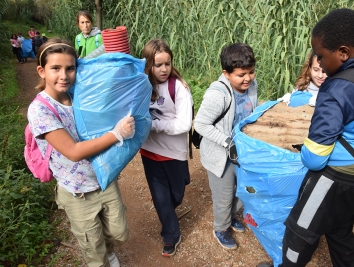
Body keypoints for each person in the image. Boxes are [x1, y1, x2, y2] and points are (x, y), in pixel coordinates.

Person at [265, 8, 354, 267]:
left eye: (321, 55)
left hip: (337, 178)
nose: (319, 61)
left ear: (343, 52)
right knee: (339, 229)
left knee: (299, 232)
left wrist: (302, 148)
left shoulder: (336, 91)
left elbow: (315, 159)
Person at [27, 38, 135, 267]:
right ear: (41, 71)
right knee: (93, 249)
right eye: (55, 68)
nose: (64, 75)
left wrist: (111, 43)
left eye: (70, 68)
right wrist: (116, 134)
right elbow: (74, 152)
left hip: (103, 178)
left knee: (119, 232)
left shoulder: (78, 90)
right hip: (77, 191)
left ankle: (109, 250)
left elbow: (97, 62)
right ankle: (102, 258)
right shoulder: (40, 110)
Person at [194, 43, 258, 250]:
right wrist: (226, 142)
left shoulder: (251, 86)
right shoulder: (218, 94)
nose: (247, 78)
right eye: (241, 75)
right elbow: (201, 124)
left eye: (251, 72)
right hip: (221, 155)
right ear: (226, 73)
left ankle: (231, 218)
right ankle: (220, 228)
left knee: (243, 190)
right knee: (223, 195)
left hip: (243, 151)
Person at [139, 38, 193, 257]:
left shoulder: (178, 87)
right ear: (148, 64)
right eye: (157, 64)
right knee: (161, 197)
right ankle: (171, 234)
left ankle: (167, 209)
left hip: (174, 152)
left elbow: (183, 124)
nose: (163, 69)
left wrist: (153, 124)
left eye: (167, 64)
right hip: (149, 151)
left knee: (177, 193)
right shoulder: (141, 84)